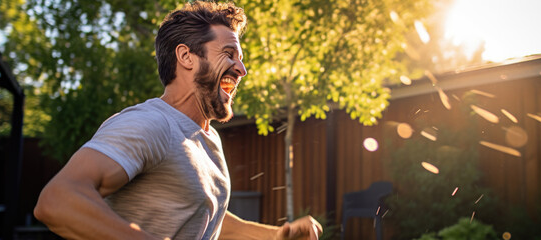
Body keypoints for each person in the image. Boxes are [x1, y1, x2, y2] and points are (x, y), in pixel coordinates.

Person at [33, 1, 323, 239]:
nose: (242, 69)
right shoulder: (150, 123)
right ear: (186, 56)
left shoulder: (207, 137)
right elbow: (58, 200)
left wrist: (275, 236)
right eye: (229, 54)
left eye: (241, 58)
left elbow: (203, 213)